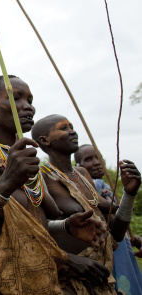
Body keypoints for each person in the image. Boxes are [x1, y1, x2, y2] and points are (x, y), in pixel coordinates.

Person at [0, 75, 108, 294]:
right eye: (16, 98)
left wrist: (67, 226)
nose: (28, 107)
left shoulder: (30, 164)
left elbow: (37, 226)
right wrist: (5, 184)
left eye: (30, 101)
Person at [33, 114, 141, 294]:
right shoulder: (40, 177)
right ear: (44, 141)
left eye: (72, 127)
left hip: (101, 278)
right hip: (68, 281)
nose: (72, 131)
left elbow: (116, 233)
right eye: (63, 128)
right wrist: (70, 260)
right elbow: (34, 231)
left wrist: (129, 193)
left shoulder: (82, 174)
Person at [75, 143, 142, 294]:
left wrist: (130, 238)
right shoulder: (95, 186)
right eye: (89, 159)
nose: (97, 162)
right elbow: (114, 227)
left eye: (99, 157)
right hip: (112, 254)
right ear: (79, 166)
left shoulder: (104, 186)